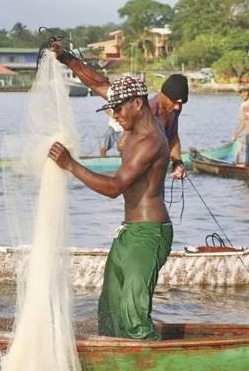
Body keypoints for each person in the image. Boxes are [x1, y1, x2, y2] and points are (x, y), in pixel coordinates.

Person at [48, 76, 173, 340]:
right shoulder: (134, 123)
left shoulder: (150, 141)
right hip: (128, 232)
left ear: (137, 103)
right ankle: (114, 356)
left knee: (132, 311)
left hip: (149, 233)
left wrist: (71, 165)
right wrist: (67, 59)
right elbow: (100, 84)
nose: (113, 114)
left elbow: (115, 187)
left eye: (118, 108)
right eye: (111, 107)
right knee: (111, 307)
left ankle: (150, 358)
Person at [50, 41, 188, 179]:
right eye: (175, 102)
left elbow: (173, 137)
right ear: (164, 94)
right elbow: (99, 84)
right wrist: (67, 59)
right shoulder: (146, 111)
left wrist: (177, 162)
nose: (177, 107)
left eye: (181, 103)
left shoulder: (173, 110)